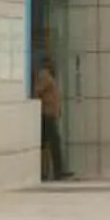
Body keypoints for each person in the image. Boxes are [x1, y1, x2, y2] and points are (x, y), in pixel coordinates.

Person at [36, 54, 67, 182]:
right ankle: (56, 172)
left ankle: (49, 172)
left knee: (48, 144)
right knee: (53, 144)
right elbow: (37, 90)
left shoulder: (49, 76)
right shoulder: (45, 75)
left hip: (50, 114)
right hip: (47, 114)